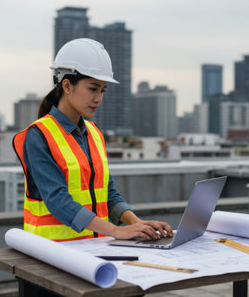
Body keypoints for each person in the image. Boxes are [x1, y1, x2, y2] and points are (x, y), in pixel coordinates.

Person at [13, 38, 173, 242]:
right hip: (51, 255)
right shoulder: (38, 135)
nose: (99, 98)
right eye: (92, 88)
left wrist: (136, 223)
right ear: (67, 86)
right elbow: (57, 200)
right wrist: (115, 230)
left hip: (95, 251)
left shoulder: (94, 134)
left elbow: (108, 193)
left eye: (102, 90)